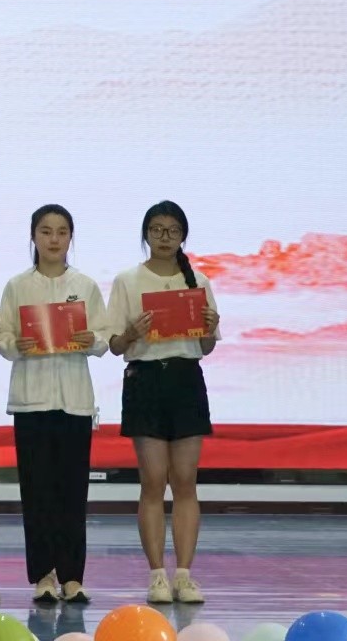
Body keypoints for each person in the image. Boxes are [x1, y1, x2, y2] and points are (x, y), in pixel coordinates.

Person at [106, 200, 222, 605]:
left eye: (172, 230)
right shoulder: (128, 280)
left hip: (186, 380)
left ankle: (184, 575)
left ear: (183, 236)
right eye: (157, 230)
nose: (164, 237)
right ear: (146, 235)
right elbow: (114, 345)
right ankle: (157, 575)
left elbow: (205, 347)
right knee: (153, 481)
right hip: (146, 380)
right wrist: (131, 333)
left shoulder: (199, 280)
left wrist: (209, 328)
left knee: (185, 480)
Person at [0, 203, 108, 604]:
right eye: (46, 231)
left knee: (72, 493)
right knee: (37, 492)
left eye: (61, 232)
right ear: (33, 237)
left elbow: (105, 337)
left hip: (74, 402)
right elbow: (2, 338)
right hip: (32, 402)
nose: (54, 239)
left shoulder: (86, 286)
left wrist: (91, 340)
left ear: (70, 238)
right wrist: (16, 344)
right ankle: (43, 575)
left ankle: (72, 577)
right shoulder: (18, 286)